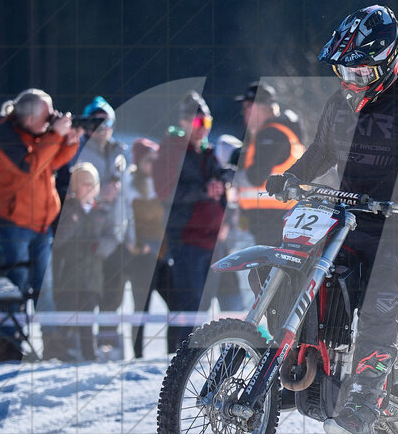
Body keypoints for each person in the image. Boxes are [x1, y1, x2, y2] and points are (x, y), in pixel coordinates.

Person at [266, 4, 398, 434]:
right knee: (284, 269)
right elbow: (321, 152)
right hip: (345, 222)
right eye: (345, 72)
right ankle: (295, 366)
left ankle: (364, 398)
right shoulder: (340, 103)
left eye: (361, 73)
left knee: (380, 298)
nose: (352, 82)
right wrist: (292, 178)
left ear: (389, 61)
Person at [0, 88, 81, 362]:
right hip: (12, 220)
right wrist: (56, 135)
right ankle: (7, 347)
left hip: (40, 223)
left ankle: (53, 345)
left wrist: (70, 141)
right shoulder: (4, 136)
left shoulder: (39, 133)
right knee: (14, 286)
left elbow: (53, 161)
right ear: (28, 119)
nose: (52, 118)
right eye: (47, 114)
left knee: (45, 286)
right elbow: (31, 165)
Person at [153, 91, 228, 352]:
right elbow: (165, 191)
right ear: (183, 123)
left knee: (203, 303)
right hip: (186, 238)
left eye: (207, 123)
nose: (203, 130)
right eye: (198, 124)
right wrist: (204, 190)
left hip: (211, 238)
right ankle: (181, 356)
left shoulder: (206, 152)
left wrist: (223, 182)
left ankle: (193, 353)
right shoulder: (171, 149)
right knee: (188, 303)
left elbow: (218, 183)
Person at [75, 96, 130, 358]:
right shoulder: (77, 151)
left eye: (106, 121)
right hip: (87, 236)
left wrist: (129, 234)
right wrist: (99, 196)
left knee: (113, 294)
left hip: (115, 237)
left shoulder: (120, 152)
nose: (101, 127)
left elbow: (126, 198)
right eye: (95, 121)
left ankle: (109, 346)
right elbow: (72, 192)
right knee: (87, 293)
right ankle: (85, 349)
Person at [49, 163, 114, 361]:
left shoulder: (102, 211)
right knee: (66, 316)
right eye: (83, 184)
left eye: (91, 183)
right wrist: (72, 221)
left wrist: (101, 248)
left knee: (88, 317)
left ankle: (89, 353)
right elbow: (58, 240)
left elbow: (112, 236)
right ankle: (62, 352)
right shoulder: (65, 209)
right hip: (68, 275)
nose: (88, 188)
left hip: (92, 275)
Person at [232, 82, 305, 246]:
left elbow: (255, 177)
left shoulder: (271, 134)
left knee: (266, 268)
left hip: (273, 220)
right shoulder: (279, 133)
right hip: (278, 218)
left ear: (265, 107)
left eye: (249, 107)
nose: (245, 113)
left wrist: (230, 176)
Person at [126, 138, 168, 358]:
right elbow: (126, 221)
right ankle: (137, 356)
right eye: (149, 160)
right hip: (142, 256)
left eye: (156, 159)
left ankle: (173, 353)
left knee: (177, 303)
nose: (154, 164)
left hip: (162, 255)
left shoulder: (163, 185)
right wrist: (139, 246)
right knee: (141, 306)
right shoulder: (130, 186)